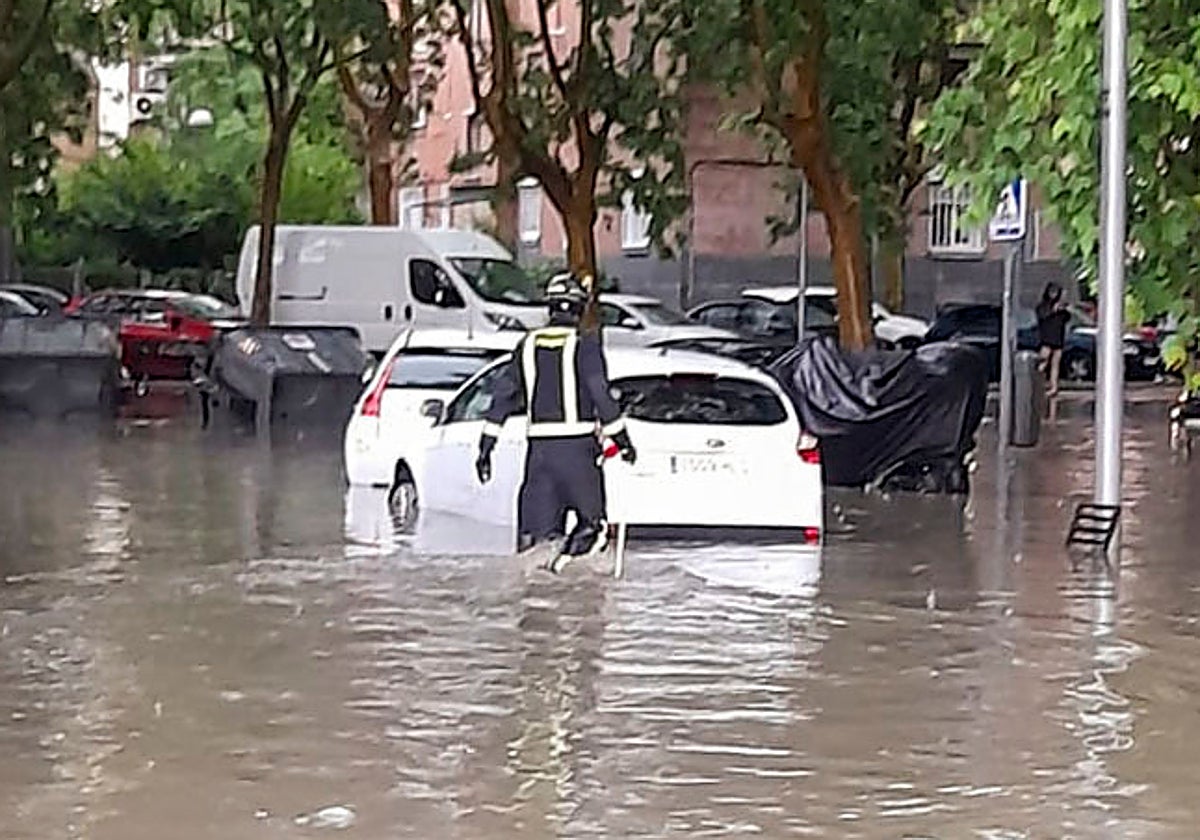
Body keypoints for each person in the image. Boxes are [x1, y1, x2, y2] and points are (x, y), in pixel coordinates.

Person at [474, 272, 637, 572]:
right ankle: (561, 569)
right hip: (578, 453)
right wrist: (623, 440)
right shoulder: (584, 344)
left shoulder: (527, 345)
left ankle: (539, 599)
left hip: (538, 457)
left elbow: (503, 396)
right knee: (593, 528)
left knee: (535, 542)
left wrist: (486, 447)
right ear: (579, 308)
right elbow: (600, 393)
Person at [1036, 282, 1070, 397]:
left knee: (1056, 364)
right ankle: (1037, 384)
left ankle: (1054, 387)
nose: (1054, 295)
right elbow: (1042, 316)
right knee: (1043, 362)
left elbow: (1066, 317)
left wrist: (1063, 307)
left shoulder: (1062, 309)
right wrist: (1053, 310)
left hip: (1058, 338)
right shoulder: (1043, 306)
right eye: (1052, 292)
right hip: (1046, 339)